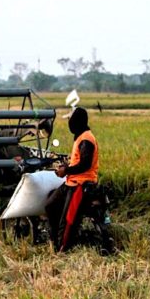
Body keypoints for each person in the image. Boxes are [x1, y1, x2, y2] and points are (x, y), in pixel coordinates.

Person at [46, 107, 99, 252]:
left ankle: (62, 249)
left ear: (77, 121)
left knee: (68, 220)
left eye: (70, 119)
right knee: (51, 205)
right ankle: (54, 241)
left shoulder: (86, 139)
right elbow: (77, 161)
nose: (69, 122)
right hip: (71, 182)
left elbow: (85, 164)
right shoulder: (80, 136)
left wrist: (66, 170)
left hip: (81, 184)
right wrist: (66, 166)